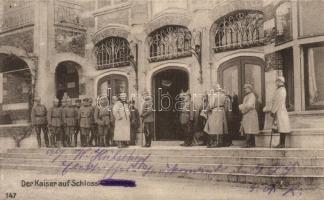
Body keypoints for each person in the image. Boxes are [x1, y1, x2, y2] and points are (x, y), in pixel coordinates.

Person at [266, 76, 291, 148]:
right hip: (279, 110)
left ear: (280, 81)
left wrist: (273, 111)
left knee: (282, 127)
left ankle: (282, 144)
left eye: (277, 81)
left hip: (280, 110)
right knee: (280, 127)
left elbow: (278, 102)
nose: (276, 83)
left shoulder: (281, 90)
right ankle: (281, 143)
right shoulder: (279, 90)